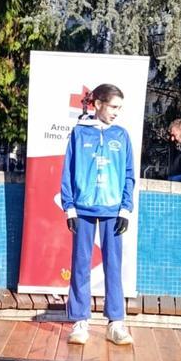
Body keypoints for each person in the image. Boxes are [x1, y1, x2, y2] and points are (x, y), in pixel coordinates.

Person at [61, 83, 136, 346]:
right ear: (98, 104)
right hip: (82, 208)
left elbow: (129, 174)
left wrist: (125, 208)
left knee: (113, 267)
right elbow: (68, 171)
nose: (117, 112)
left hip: (112, 210)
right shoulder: (79, 133)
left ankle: (115, 322)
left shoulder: (121, 135)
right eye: (113, 107)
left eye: (120, 108)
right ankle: (80, 321)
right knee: (80, 265)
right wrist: (68, 207)